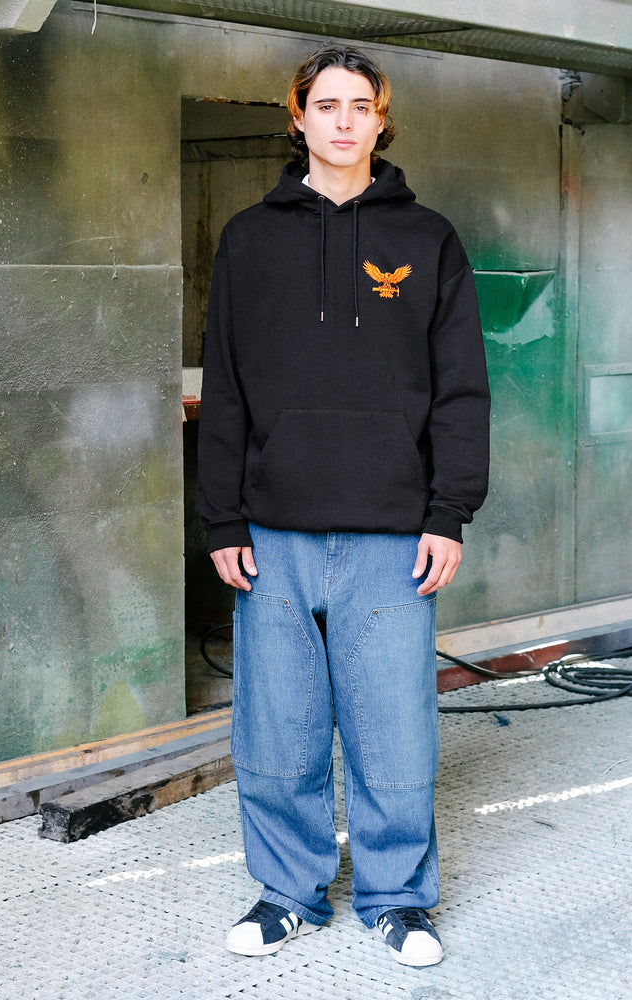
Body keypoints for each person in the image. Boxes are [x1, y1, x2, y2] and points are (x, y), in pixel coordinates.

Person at [197, 44, 490, 968]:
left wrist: (449, 512)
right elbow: (228, 390)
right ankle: (287, 893)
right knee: (278, 730)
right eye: (326, 104)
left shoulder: (429, 238)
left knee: (394, 729)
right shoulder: (248, 238)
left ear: (380, 118)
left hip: (393, 532)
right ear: (298, 117)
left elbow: (460, 391)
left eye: (359, 106)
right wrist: (221, 519)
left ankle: (398, 900)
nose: (342, 120)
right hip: (273, 530)